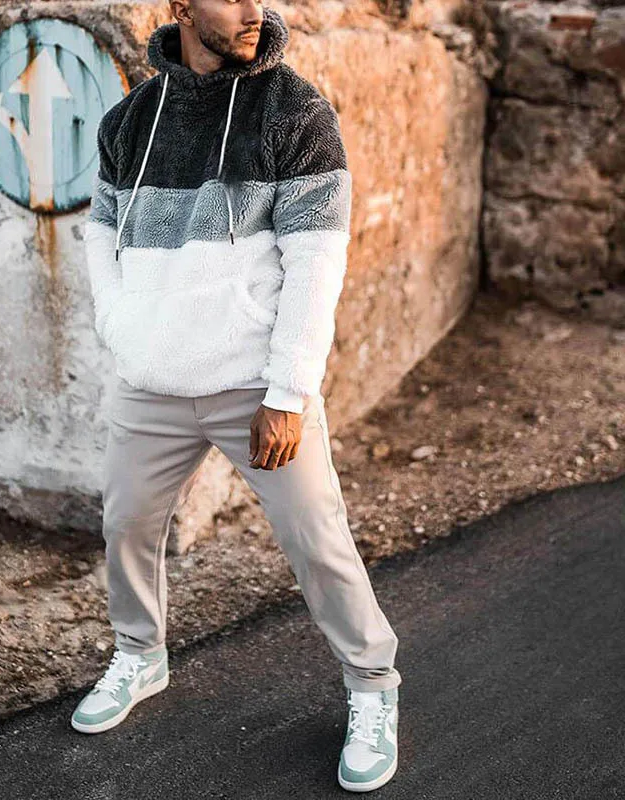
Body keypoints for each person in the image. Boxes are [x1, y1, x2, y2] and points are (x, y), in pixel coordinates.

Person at [72, 0, 402, 791]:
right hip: (151, 382)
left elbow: (317, 262)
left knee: (316, 537)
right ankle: (139, 654)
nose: (254, 9)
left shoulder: (294, 111)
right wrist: (122, 329)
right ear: (182, 8)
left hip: (254, 384)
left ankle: (372, 684)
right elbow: (99, 235)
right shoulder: (129, 121)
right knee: (126, 525)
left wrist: (287, 392)